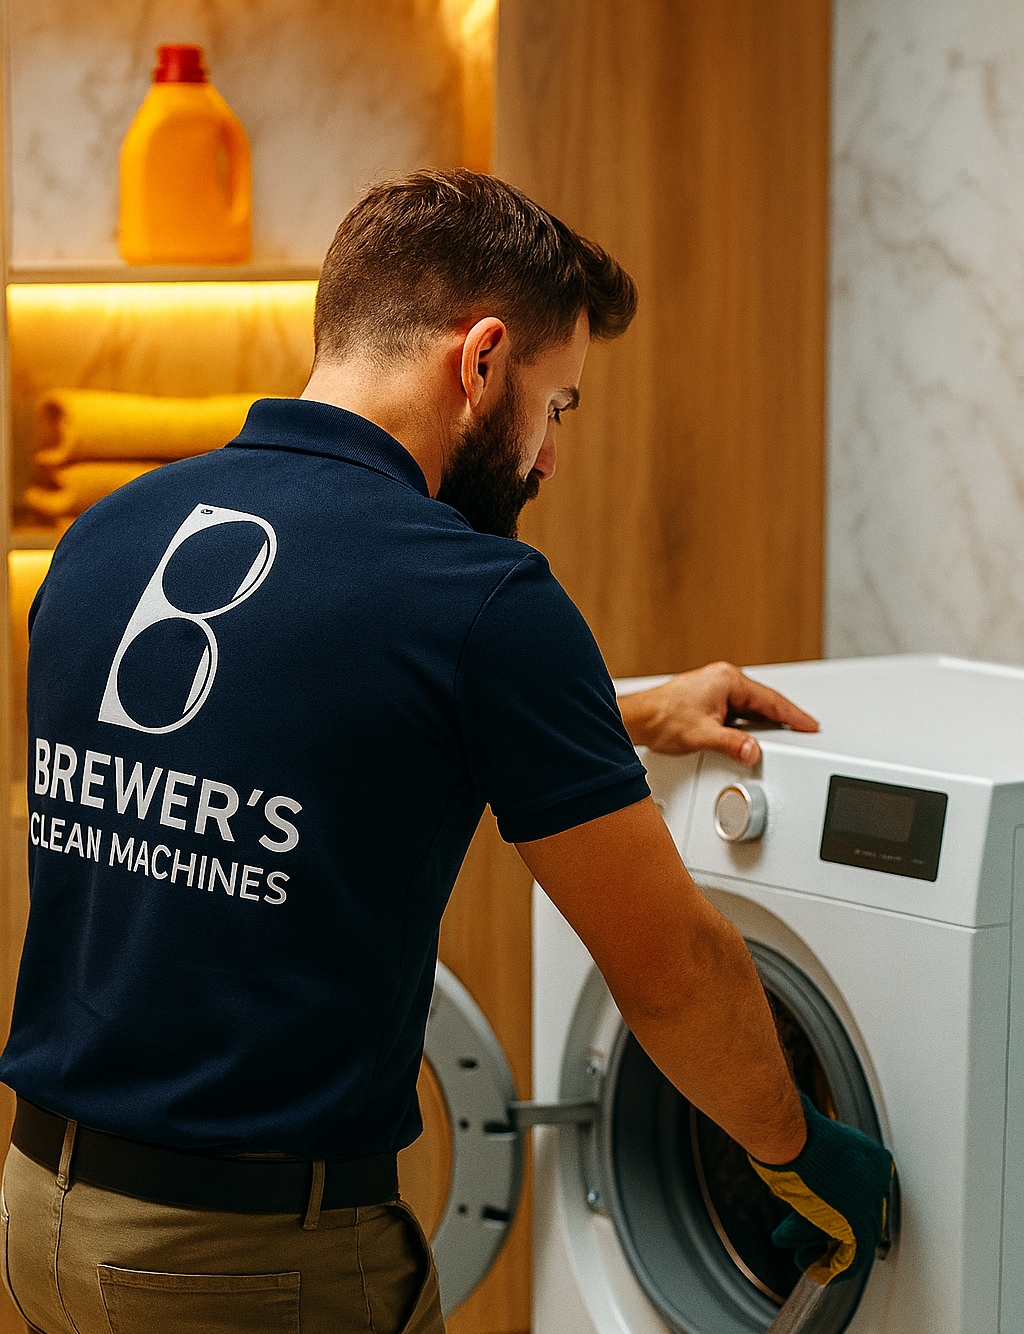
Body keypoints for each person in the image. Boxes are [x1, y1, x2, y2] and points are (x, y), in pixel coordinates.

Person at [0, 169, 892, 1334]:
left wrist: (620, 712)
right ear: (479, 362)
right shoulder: (476, 594)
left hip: (41, 1218)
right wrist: (794, 1148)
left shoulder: (108, 537)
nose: (548, 457)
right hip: (250, 1264)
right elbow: (670, 969)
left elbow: (286, 721)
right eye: (556, 405)